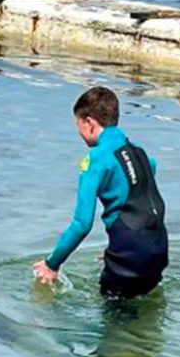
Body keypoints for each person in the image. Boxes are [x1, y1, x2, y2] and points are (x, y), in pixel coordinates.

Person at [34, 87, 168, 298]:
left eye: (78, 124)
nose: (78, 132)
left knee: (113, 325)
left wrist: (52, 264)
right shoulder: (139, 153)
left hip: (129, 258)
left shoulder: (96, 159)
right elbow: (149, 173)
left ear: (89, 122)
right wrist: (118, 246)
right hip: (158, 249)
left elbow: (82, 224)